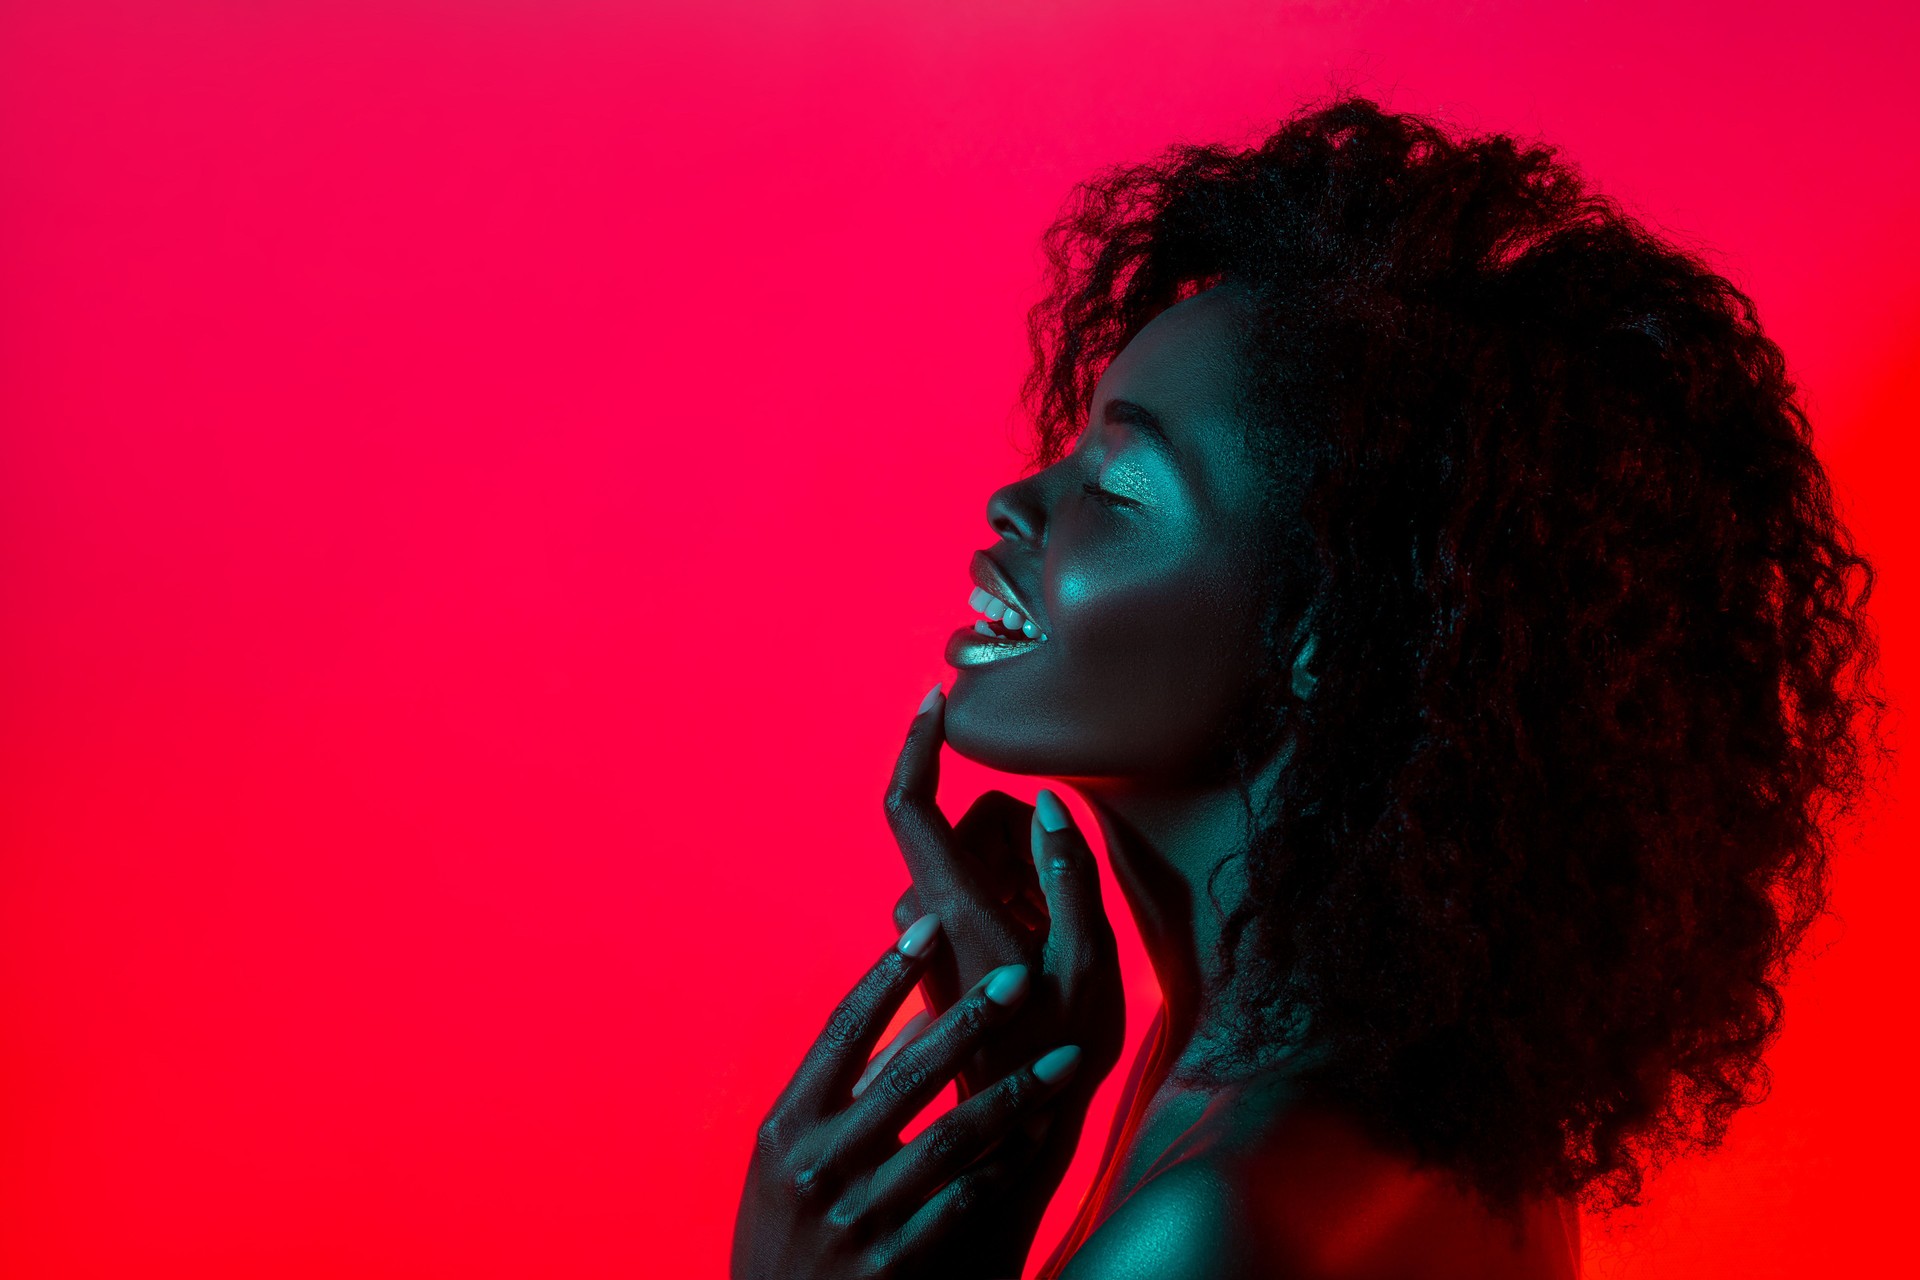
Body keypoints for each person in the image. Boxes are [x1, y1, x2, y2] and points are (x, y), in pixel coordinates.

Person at [729, 95, 1885, 1279]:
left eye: (1118, 489)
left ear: (1331, 628)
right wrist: (1002, 1180)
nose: (1014, 507)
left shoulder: (1218, 1218)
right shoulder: (1356, 1098)